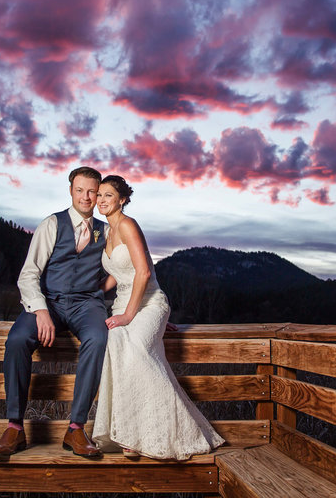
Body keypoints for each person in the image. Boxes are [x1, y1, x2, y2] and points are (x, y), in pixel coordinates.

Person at [92, 175, 224, 460]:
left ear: (122, 199)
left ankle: (166, 433)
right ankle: (127, 433)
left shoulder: (128, 225)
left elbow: (143, 273)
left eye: (108, 195)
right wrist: (93, 294)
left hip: (149, 303)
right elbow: (117, 272)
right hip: (122, 303)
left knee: (138, 351)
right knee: (115, 340)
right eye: (99, 195)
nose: (102, 200)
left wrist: (131, 314)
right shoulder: (105, 232)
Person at [0, 166, 109, 461]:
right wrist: (40, 310)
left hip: (86, 305)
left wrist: (148, 310)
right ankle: (15, 427)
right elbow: (29, 274)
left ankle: (76, 428)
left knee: (98, 338)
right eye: (80, 190)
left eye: (92, 191)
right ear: (71, 191)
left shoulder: (102, 231)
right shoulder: (52, 224)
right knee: (17, 340)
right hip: (49, 302)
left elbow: (126, 271)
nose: (86, 196)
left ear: (98, 195)